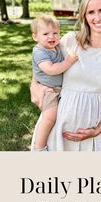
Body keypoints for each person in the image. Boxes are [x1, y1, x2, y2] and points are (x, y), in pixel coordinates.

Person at [31, 0, 101, 151]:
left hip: (96, 137)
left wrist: (97, 129)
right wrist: (34, 86)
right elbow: (42, 65)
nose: (97, 17)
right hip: (58, 129)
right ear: (84, 16)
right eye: (91, 12)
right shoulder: (70, 41)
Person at [31, 15, 79, 151]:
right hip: (48, 91)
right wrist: (69, 61)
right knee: (50, 117)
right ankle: (39, 147)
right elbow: (50, 69)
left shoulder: (56, 47)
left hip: (58, 89)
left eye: (55, 33)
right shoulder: (40, 52)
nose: (51, 37)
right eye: (45, 34)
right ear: (35, 37)